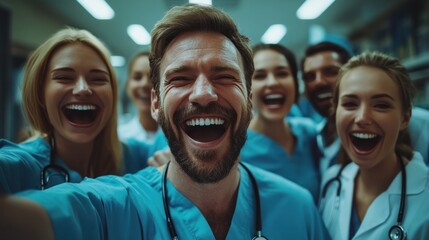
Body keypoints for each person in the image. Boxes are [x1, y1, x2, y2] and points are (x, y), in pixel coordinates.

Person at [0, 4, 330, 239]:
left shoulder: (298, 209)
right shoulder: (112, 208)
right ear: (155, 102)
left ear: (249, 98)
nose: (203, 94)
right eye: (181, 78)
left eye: (224, 76)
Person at [0, 27, 143, 193]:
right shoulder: (16, 166)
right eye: (64, 78)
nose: (82, 89)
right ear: (40, 93)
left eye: (97, 79)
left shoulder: (132, 155)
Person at [319, 52, 429, 239]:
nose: (362, 118)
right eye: (350, 104)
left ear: (405, 117)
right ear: (335, 111)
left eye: (381, 105)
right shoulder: (331, 181)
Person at [240, 43, 320, 202]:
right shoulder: (236, 148)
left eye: (282, 73)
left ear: (295, 84)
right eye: (260, 76)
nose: (272, 83)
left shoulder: (310, 133)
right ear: (247, 88)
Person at [301, 41, 352, 178]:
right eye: (310, 77)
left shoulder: (405, 125)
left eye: (330, 72)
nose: (319, 82)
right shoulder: (315, 139)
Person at [118, 51, 160, 144]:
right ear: (127, 85)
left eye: (152, 78)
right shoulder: (120, 138)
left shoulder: (179, 138)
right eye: (137, 77)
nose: (144, 84)